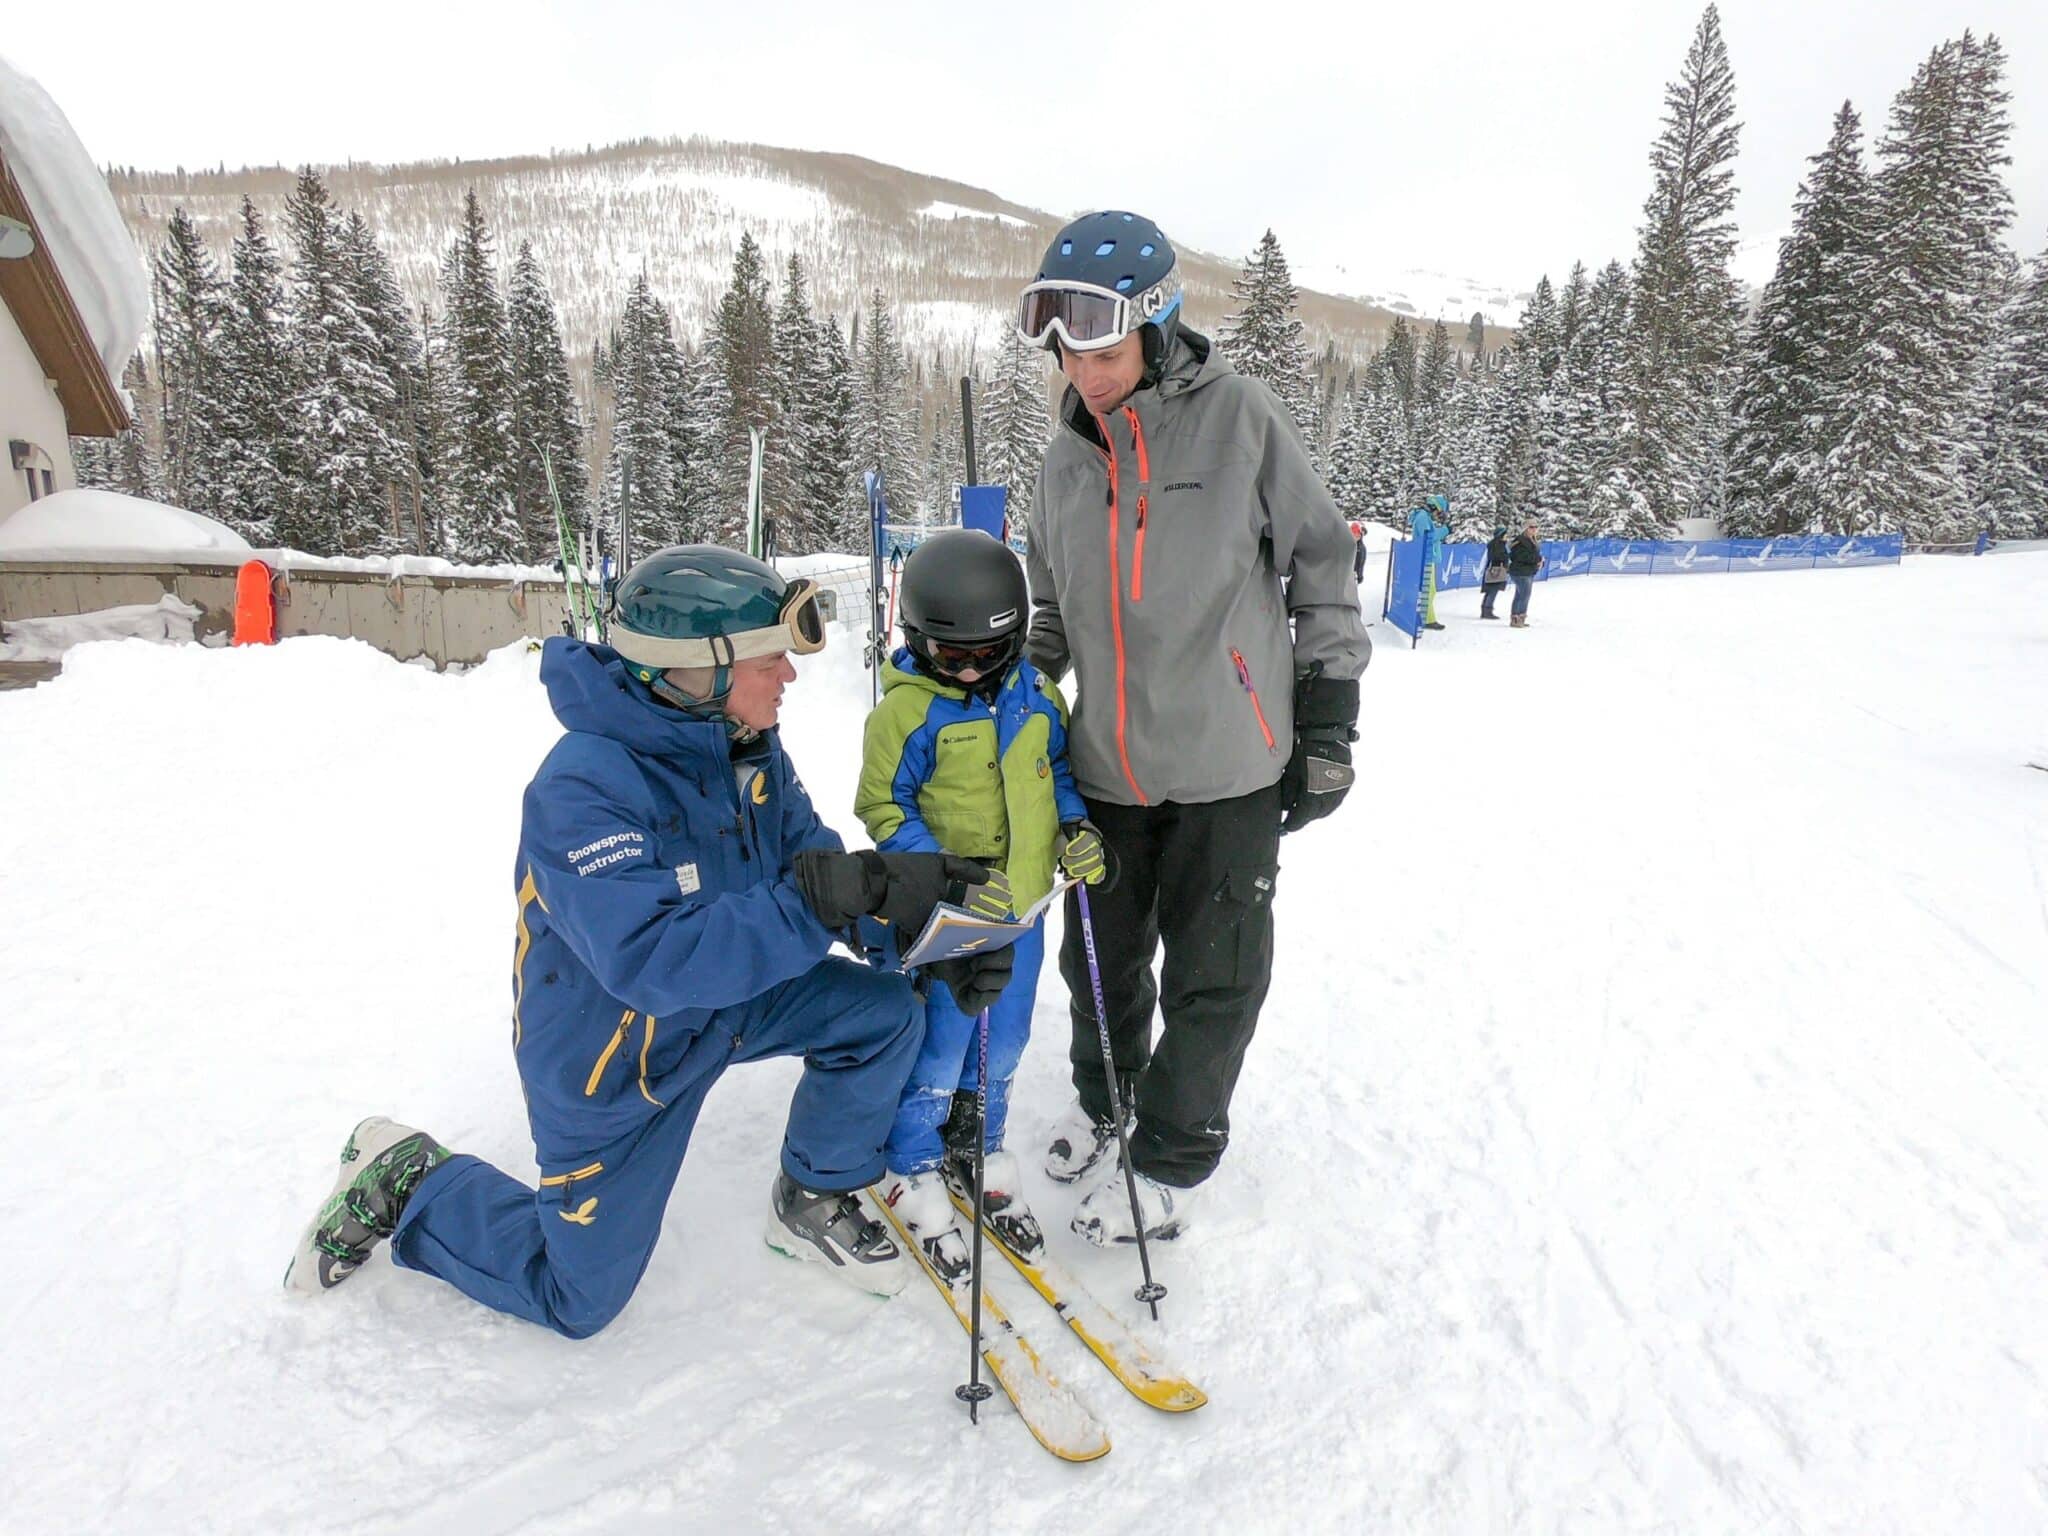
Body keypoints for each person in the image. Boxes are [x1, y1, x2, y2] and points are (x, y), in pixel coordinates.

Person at [284, 545, 1013, 1337]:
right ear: (700, 670)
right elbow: (654, 961)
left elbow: (819, 877)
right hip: (619, 1060)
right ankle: (412, 1180)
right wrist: (829, 898)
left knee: (884, 1012)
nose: (789, 678)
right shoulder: (584, 788)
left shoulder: (746, 751)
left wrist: (924, 933)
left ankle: (814, 1192)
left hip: (729, 1001)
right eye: (771, 659)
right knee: (579, 1299)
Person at [1016, 210, 1370, 1245]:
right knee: (1096, 965)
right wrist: (1018, 694)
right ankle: (1110, 1107)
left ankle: (1168, 1157)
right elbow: (1051, 609)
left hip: (1227, 765)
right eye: (1068, 354)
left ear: (1158, 329)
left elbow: (1319, 563)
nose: (1084, 373)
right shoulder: (1059, 464)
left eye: (1106, 349)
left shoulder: (1239, 420)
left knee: (1213, 973)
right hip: (1109, 772)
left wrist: (1327, 718)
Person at [856, 529, 1107, 1277]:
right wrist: (939, 870)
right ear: (915, 639)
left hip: (1022, 910)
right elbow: (882, 806)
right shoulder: (903, 716)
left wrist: (1074, 826)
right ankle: (910, 1157)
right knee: (941, 1039)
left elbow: (1056, 767)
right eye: (948, 656)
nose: (966, 670)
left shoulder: (1037, 694)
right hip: (948, 920)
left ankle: (978, 1138)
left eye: (983, 656)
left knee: (1006, 1039)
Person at [1408, 495, 1449, 629]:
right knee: (1428, 590)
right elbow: (1428, 537)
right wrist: (1444, 530)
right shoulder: (1423, 518)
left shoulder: (1425, 517)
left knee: (1431, 590)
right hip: (1425, 557)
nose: (1438, 516)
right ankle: (1427, 619)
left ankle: (1426, 618)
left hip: (1428, 557)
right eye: (1439, 512)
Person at [1509, 519, 1545, 628]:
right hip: (1520, 572)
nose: (1534, 529)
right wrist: (1537, 559)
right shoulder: (1520, 540)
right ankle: (1519, 617)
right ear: (1526, 529)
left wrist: (1540, 561)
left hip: (1528, 571)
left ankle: (1516, 618)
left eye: (1535, 527)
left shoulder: (1533, 540)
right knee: (1525, 595)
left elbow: (1534, 555)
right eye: (1531, 527)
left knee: (1520, 594)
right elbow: (1519, 556)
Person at [1480, 524, 1510, 620]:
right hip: (1495, 570)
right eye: (1505, 535)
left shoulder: (1496, 544)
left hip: (1493, 569)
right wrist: (1505, 559)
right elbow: (1497, 556)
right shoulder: (1497, 545)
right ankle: (1487, 610)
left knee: (1490, 590)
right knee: (1493, 590)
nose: (1507, 536)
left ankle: (1485, 609)